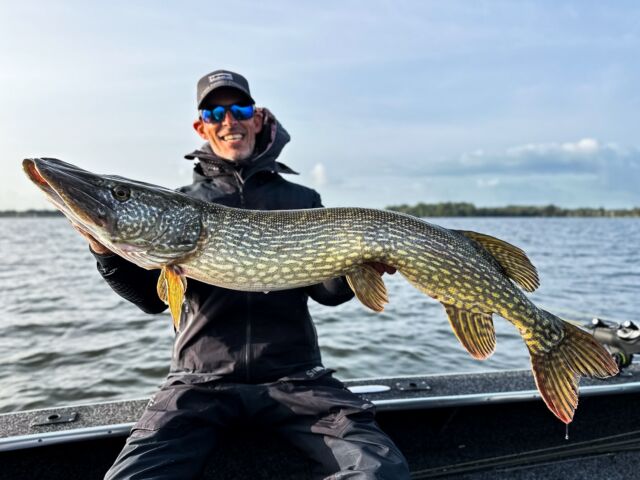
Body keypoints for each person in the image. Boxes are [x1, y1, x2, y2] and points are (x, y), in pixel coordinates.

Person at [78, 70, 410, 479]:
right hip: (200, 381)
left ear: (256, 118)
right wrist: (103, 249)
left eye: (240, 109)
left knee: (380, 471)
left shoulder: (300, 200)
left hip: (297, 377)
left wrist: (360, 266)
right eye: (215, 112)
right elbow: (151, 298)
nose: (228, 120)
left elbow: (327, 291)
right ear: (201, 126)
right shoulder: (181, 205)